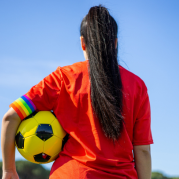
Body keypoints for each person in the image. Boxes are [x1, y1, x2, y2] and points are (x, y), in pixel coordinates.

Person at [1, 5, 153, 179]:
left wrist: (9, 170)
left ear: (83, 43)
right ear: (115, 43)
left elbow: (10, 117)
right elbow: (142, 150)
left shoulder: (62, 78)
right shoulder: (138, 86)